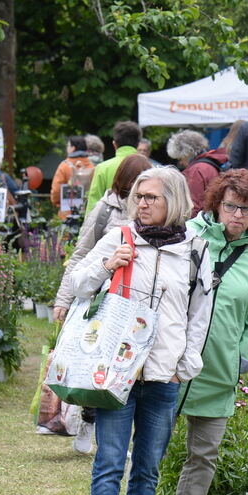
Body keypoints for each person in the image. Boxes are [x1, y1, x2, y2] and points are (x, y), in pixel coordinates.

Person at [67, 166, 214, 495]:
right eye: (139, 197)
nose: (142, 204)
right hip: (116, 373)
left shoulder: (195, 250)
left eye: (151, 197)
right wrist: (107, 266)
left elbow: (198, 316)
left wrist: (183, 365)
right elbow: (78, 282)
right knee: (111, 462)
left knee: (147, 467)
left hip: (163, 375)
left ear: (175, 201)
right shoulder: (120, 237)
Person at [171, 170, 248, 495]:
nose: (238, 216)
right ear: (216, 204)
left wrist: (241, 356)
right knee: (148, 451)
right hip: (170, 367)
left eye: (247, 210)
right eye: (231, 206)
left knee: (204, 455)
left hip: (219, 369)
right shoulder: (186, 238)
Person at [53, 153, 153, 455]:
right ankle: (87, 421)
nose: (144, 200)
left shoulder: (159, 221)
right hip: (105, 304)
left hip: (140, 309)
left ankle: (128, 437)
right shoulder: (105, 209)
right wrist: (63, 300)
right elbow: (81, 255)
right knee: (98, 366)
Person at [86, 121, 142, 214]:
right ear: (138, 144)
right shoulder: (148, 167)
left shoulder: (102, 168)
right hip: (139, 224)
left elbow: (93, 203)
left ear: (114, 144)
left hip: (109, 224)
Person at [167, 129, 226, 215]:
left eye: (181, 158)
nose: (181, 162)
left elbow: (194, 206)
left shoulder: (196, 170)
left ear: (187, 153)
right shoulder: (211, 162)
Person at [50, 135, 95, 220]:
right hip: (87, 213)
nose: (66, 149)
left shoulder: (64, 166)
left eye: (68, 146)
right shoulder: (92, 167)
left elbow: (56, 191)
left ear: (73, 148)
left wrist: (57, 203)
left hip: (67, 212)